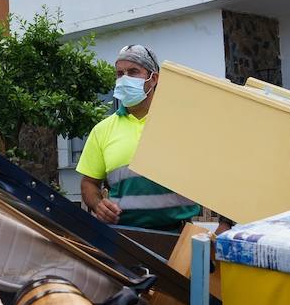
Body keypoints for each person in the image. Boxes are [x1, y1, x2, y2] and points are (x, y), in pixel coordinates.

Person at [77, 44, 203, 231]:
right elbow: (89, 183)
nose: (124, 79)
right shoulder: (102, 130)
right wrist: (98, 204)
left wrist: (225, 222)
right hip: (122, 235)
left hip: (178, 234)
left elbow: (218, 172)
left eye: (133, 72)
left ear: (154, 79)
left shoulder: (182, 124)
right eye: (120, 74)